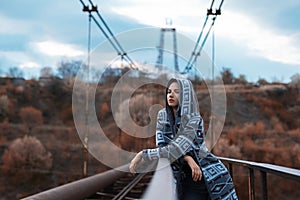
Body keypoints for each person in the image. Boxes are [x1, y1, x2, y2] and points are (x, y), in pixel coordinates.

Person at [129, 78, 238, 200]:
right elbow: (162, 146)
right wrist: (187, 158)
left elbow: (177, 149)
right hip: (181, 173)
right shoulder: (162, 115)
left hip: (202, 173)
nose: (171, 95)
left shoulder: (194, 119)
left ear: (186, 95)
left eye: (177, 91)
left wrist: (143, 154)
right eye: (169, 91)